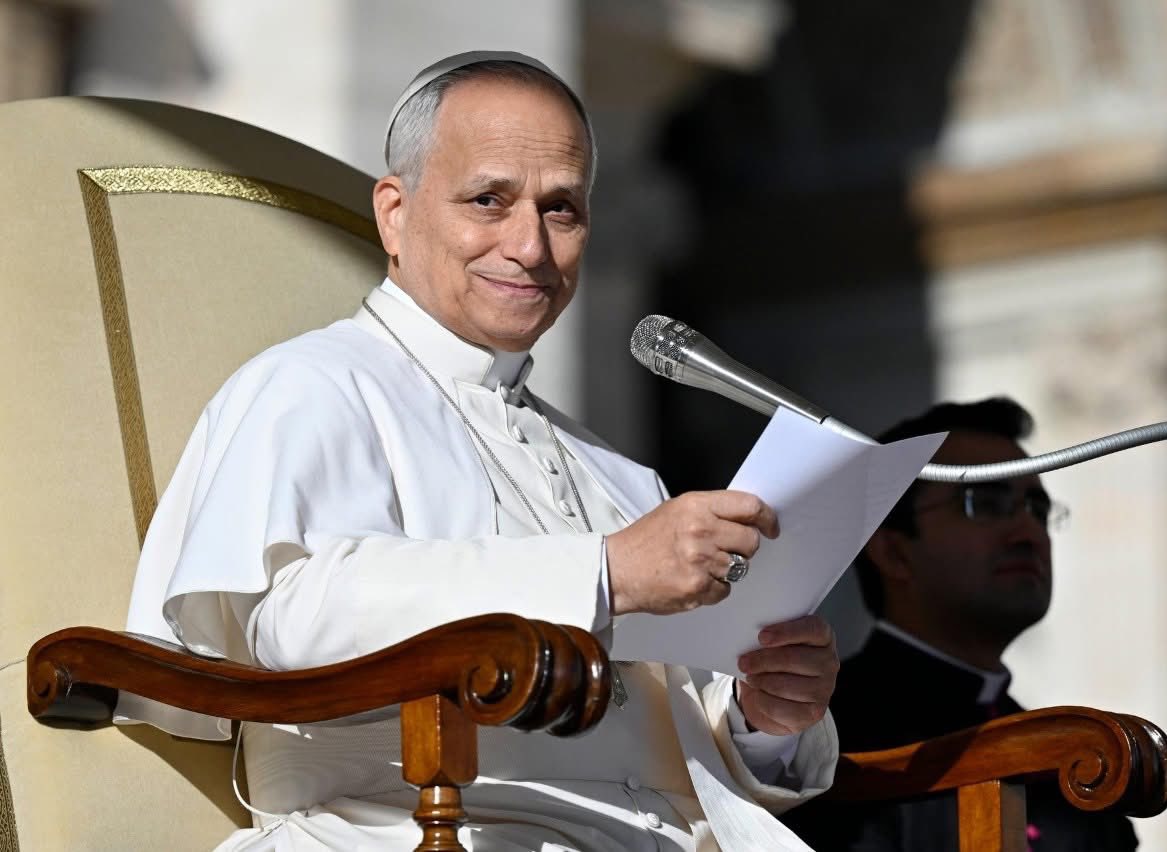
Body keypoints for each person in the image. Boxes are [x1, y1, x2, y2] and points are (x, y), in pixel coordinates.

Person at [115, 51, 840, 852]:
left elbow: (684, 743)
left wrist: (765, 714)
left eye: (561, 210)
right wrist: (602, 573)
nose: (530, 245)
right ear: (395, 214)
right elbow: (290, 618)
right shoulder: (310, 384)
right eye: (489, 200)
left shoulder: (619, 474)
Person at [784, 397, 1138, 851]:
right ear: (893, 551)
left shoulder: (1079, 758)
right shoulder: (811, 738)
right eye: (985, 502)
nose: (1028, 532)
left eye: (1037, 509)